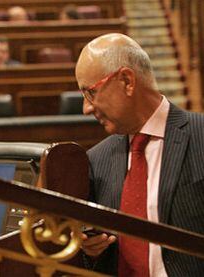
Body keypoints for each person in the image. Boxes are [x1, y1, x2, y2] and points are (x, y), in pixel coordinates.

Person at [75, 33, 204, 276]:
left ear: (126, 81)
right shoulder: (96, 160)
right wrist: (91, 250)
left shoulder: (201, 138)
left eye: (90, 93)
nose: (86, 108)